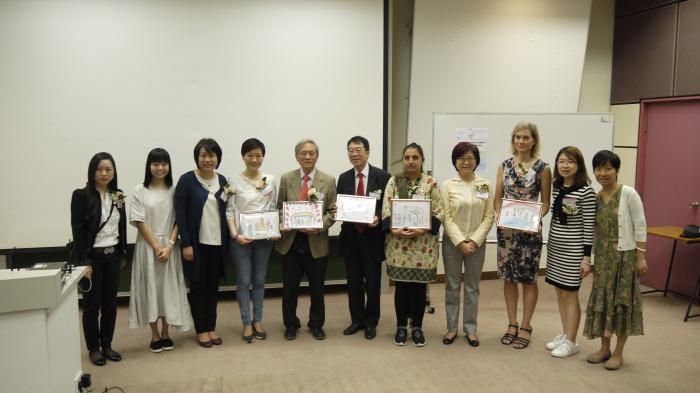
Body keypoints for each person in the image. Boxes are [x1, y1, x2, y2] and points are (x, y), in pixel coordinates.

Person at [583, 150, 647, 370]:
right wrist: (588, 258)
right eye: (598, 169)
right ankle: (604, 348)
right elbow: (593, 230)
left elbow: (640, 225)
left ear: (617, 170)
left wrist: (641, 257)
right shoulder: (596, 197)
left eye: (608, 168)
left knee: (621, 304)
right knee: (603, 303)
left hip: (624, 257)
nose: (603, 173)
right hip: (602, 257)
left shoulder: (628, 193)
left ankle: (618, 352)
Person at [128, 148, 192, 353]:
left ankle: (166, 333)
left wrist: (170, 245)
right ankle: (154, 335)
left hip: (170, 247)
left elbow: (178, 220)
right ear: (149, 166)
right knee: (151, 289)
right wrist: (157, 247)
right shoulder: (139, 190)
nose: (160, 168)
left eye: (164, 164)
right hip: (148, 247)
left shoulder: (175, 190)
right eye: (156, 164)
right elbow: (139, 221)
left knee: (168, 289)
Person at [495, 121, 552, 349]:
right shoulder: (505, 165)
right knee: (509, 278)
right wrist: (499, 217)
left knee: (528, 279)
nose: (521, 141)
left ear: (533, 140)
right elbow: (497, 197)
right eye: (517, 137)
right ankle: (512, 323)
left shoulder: (543, 168)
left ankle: (526, 325)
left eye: (525, 137)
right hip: (507, 231)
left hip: (529, 232)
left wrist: (535, 218)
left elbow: (545, 203)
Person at [382, 143, 443, 347]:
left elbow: (439, 212)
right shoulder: (394, 181)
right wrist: (394, 229)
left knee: (418, 289)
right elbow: (386, 210)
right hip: (399, 246)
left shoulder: (431, 184)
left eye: (415, 157)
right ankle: (400, 327)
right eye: (407, 157)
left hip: (423, 247)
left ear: (421, 159)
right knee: (401, 288)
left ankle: (417, 327)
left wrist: (422, 229)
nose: (410, 161)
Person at [276, 139, 337, 340]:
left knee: (317, 288)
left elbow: (332, 212)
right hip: (291, 242)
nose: (307, 156)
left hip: (316, 241)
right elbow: (279, 208)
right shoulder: (286, 178)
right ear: (297, 156)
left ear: (317, 156)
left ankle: (316, 323)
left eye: (311, 153)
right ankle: (290, 324)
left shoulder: (328, 180)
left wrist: (320, 226)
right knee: (290, 288)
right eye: (303, 153)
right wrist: (283, 221)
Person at [70, 152, 128, 366]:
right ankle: (93, 349)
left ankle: (107, 345)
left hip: (113, 256)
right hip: (92, 259)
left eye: (108, 169)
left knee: (110, 305)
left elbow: (120, 227)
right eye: (99, 169)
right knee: (91, 307)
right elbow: (78, 232)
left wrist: (123, 252)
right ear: (92, 171)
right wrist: (83, 262)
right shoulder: (81, 195)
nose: (104, 173)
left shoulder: (118, 194)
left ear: (114, 172)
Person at [174, 138, 229, 348]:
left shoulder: (223, 180)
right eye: (204, 155)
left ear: (218, 158)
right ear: (197, 157)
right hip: (197, 245)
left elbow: (227, 211)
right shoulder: (186, 180)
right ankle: (201, 329)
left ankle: (211, 326)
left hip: (218, 244)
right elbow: (180, 214)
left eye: (212, 155)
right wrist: (185, 243)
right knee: (198, 287)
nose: (207, 159)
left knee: (213, 288)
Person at [336, 136, 391, 340]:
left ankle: (371, 322)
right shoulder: (343, 178)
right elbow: (340, 205)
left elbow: (388, 207)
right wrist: (337, 209)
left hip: (372, 238)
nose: (354, 153)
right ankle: (357, 320)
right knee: (353, 283)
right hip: (351, 238)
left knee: (373, 282)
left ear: (367, 152)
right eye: (351, 150)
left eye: (358, 149)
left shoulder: (383, 177)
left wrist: (378, 218)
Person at [440, 142, 494, 347]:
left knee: (472, 288)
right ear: (455, 161)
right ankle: (451, 328)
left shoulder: (485, 185)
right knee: (452, 287)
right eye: (461, 158)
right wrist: (460, 241)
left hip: (477, 244)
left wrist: (474, 240)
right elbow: (446, 216)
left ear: (477, 161)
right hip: (453, 243)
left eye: (470, 158)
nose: (466, 161)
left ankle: (470, 330)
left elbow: (489, 216)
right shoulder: (448, 185)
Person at [544, 146, 596, 358]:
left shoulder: (585, 191)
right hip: (556, 248)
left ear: (579, 165)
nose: (565, 166)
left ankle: (573, 342)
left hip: (574, 252)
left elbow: (588, 227)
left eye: (570, 162)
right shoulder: (556, 187)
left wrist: (586, 259)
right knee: (559, 292)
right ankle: (566, 334)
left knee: (571, 294)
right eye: (561, 162)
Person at [225, 138, 278, 343]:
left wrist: (274, 230)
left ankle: (258, 320)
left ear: (263, 157)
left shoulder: (270, 179)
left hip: (264, 239)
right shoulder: (233, 181)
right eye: (250, 155)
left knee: (259, 281)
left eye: (258, 155)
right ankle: (246, 322)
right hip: (241, 239)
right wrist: (235, 235)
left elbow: (272, 208)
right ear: (243, 157)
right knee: (243, 281)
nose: (254, 159)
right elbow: (229, 211)